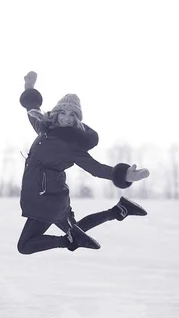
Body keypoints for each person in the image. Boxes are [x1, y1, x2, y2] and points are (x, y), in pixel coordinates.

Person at [17, 72, 150, 255]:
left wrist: (126, 175)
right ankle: (119, 210)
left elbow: (96, 168)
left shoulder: (71, 144)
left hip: (46, 200)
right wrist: (29, 85)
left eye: (72, 115)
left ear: (76, 119)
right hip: (54, 195)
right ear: (56, 113)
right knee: (76, 230)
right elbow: (32, 106)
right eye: (63, 112)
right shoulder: (44, 127)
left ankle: (67, 241)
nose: (66, 117)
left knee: (25, 246)